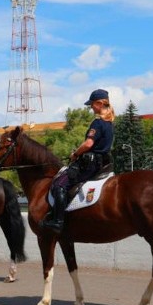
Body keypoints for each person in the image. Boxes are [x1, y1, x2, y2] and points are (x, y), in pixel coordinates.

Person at [42, 89, 115, 233]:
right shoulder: (110, 123)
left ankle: (58, 222)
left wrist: (75, 153)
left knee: (59, 184)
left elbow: (88, 144)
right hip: (102, 163)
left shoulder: (98, 123)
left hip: (90, 163)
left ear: (100, 103)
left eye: (92, 104)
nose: (91, 107)